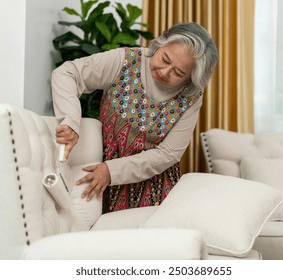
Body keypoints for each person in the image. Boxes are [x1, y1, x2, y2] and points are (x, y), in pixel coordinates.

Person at [52, 22, 218, 213]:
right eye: (165, 59)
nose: (165, 72)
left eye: (178, 73)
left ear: (190, 78)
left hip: (155, 188)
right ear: (160, 44)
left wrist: (112, 171)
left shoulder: (191, 95)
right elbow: (67, 73)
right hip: (99, 178)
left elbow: (169, 153)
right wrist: (70, 121)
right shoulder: (125, 61)